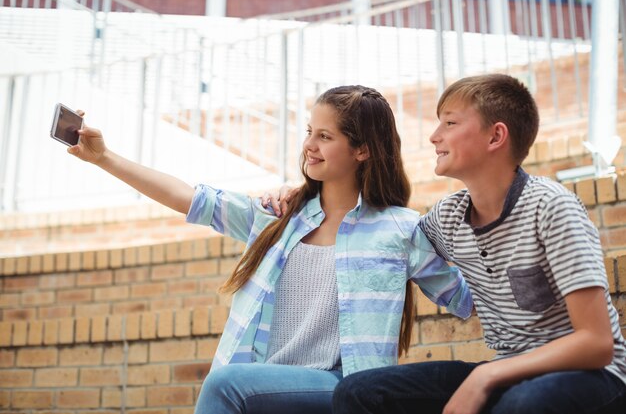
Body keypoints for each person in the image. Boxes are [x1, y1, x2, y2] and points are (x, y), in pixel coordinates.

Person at [67, 85, 473, 414]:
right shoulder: (279, 216)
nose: (309, 145)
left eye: (325, 136)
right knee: (232, 382)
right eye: (309, 132)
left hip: (342, 387)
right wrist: (103, 158)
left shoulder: (399, 228)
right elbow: (189, 198)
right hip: (264, 384)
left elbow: (463, 298)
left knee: (226, 383)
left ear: (362, 149)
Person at [326, 74, 626, 413]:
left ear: (496, 135)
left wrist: (486, 376)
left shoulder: (551, 207)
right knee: (360, 392)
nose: (434, 136)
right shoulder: (450, 217)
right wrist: (305, 199)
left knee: (520, 403)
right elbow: (390, 234)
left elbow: (597, 343)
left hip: (594, 376)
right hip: (508, 373)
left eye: (450, 123)